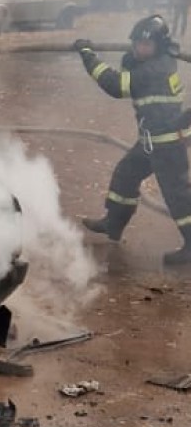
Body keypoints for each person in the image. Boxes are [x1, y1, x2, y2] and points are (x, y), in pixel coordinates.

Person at [76, 14, 191, 268]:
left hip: (167, 143)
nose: (140, 49)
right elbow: (133, 77)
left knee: (179, 196)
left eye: (146, 45)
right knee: (125, 176)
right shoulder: (161, 60)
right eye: (137, 43)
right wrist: (130, 61)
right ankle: (113, 224)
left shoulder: (154, 69)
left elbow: (115, 85)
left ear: (158, 46)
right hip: (152, 140)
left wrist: (88, 55)